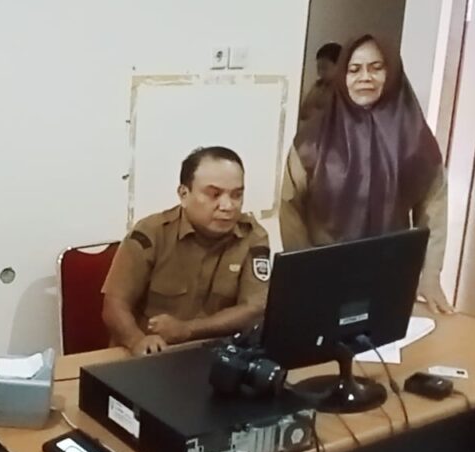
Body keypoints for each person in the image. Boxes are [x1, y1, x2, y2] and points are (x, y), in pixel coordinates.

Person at [280, 34, 454, 314]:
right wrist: (305, 271)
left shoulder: (416, 138)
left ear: (392, 73)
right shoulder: (312, 140)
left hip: (390, 273)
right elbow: (291, 209)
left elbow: (434, 209)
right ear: (342, 76)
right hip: (326, 272)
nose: (365, 77)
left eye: (376, 68)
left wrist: (430, 277)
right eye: (354, 69)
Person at [102, 147, 272, 356]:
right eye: (214, 194)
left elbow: (254, 309)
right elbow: (115, 304)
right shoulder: (151, 234)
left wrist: (188, 329)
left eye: (237, 195)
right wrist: (137, 340)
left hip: (220, 354)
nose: (227, 206)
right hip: (153, 353)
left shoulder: (253, 237)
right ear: (184, 194)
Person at [298, 42, 343, 128]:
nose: (320, 73)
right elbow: (303, 113)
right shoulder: (318, 86)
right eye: (318, 68)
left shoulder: (345, 90)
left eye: (324, 68)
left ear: (340, 66)